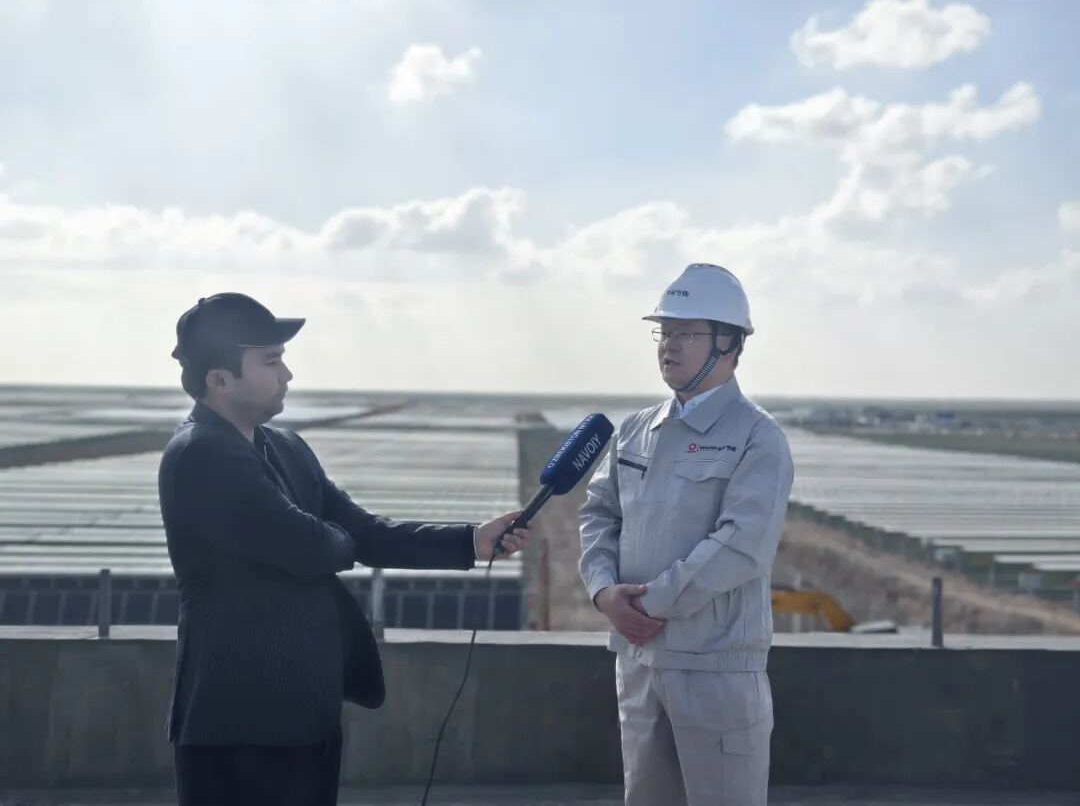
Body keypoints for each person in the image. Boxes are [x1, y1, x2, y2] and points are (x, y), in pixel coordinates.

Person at [158, 293, 528, 806]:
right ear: (220, 380)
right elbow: (311, 548)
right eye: (271, 361)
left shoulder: (286, 447)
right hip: (237, 719)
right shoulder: (201, 453)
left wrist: (470, 540)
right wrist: (332, 539)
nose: (287, 374)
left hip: (303, 711)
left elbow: (363, 532)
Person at [579, 263, 794, 806]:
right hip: (638, 661)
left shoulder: (757, 438)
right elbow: (599, 514)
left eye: (687, 333)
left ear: (729, 344)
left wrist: (647, 605)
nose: (669, 345)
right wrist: (603, 592)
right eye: (665, 331)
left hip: (715, 670)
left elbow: (741, 545)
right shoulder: (636, 430)